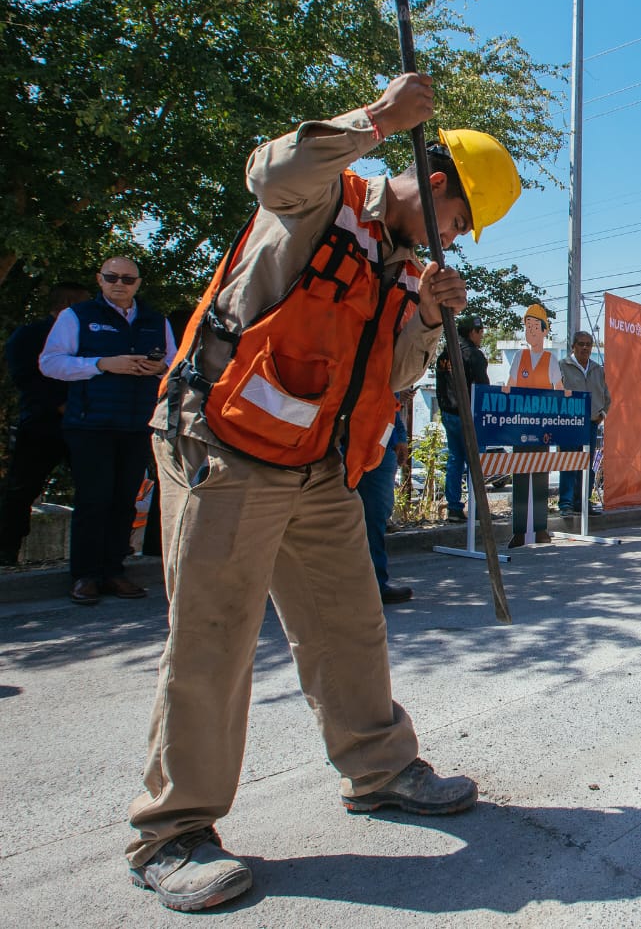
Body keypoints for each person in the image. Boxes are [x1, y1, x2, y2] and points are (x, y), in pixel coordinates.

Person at [129, 73, 521, 912]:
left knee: (349, 622)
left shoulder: (401, 266)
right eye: (457, 223)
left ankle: (378, 770)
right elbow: (268, 174)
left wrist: (423, 317)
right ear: (437, 183)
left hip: (316, 470)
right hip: (224, 448)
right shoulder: (324, 197)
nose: (453, 241)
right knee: (212, 634)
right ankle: (172, 832)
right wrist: (377, 119)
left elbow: (393, 377)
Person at [39, 257, 174, 605]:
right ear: (99, 280)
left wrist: (159, 367)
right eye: (112, 277)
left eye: (127, 279)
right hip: (91, 423)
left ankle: (115, 571)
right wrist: (101, 364)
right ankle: (85, 576)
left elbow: (177, 366)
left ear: (138, 283)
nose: (120, 284)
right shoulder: (77, 316)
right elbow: (50, 363)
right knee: (93, 500)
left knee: (124, 501)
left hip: (136, 423)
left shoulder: (155, 320)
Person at [0, 282, 90, 565]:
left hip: (84, 424)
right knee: (21, 489)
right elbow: (24, 377)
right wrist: (58, 405)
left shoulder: (87, 336)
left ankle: (92, 557)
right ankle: (5, 553)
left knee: (93, 489)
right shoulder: (30, 335)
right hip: (41, 425)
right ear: (69, 305)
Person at [504, 301, 566, 546]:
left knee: (540, 475)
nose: (530, 331)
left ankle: (540, 529)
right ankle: (519, 532)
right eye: (527, 326)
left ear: (544, 330)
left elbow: (559, 389)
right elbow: (509, 385)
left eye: (535, 326)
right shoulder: (520, 356)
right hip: (520, 425)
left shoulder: (551, 359)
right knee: (519, 475)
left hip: (542, 427)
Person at [356, 403, 413, 604]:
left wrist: (400, 437)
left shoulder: (387, 372)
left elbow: (390, 401)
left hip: (380, 446)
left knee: (375, 518)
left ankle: (376, 584)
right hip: (344, 441)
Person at [436, 315, 490, 523]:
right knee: (475, 462)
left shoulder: (444, 354)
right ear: (472, 332)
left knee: (455, 459)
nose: (482, 337)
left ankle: (454, 508)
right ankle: (477, 508)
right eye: (481, 333)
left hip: (449, 413)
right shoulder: (473, 355)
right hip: (469, 416)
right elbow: (483, 388)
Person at [558, 329, 609, 515]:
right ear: (573, 346)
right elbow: (555, 393)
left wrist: (601, 413)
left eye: (588, 344)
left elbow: (606, 396)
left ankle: (583, 503)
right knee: (569, 462)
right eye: (581, 344)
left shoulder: (597, 369)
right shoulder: (562, 366)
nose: (585, 347)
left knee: (586, 465)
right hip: (569, 424)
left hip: (590, 424)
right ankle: (566, 504)